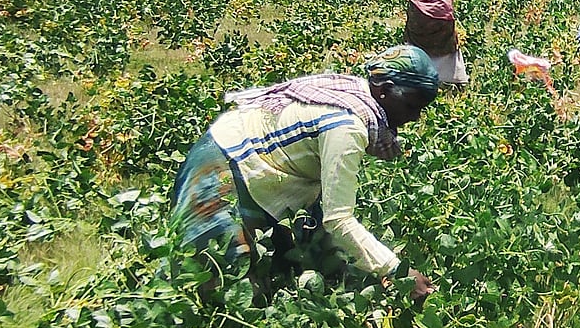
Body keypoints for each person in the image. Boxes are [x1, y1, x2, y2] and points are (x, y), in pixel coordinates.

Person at [169, 44, 440, 300]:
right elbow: (338, 220)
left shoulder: (360, 94)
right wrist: (396, 271)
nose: (415, 117)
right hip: (223, 159)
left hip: (264, 160)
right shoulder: (346, 127)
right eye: (411, 106)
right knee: (217, 275)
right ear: (384, 91)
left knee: (300, 263)